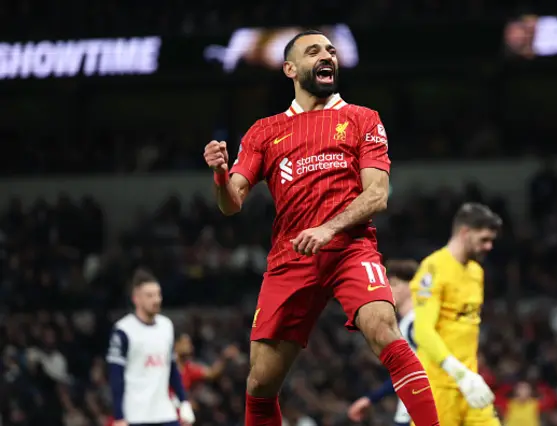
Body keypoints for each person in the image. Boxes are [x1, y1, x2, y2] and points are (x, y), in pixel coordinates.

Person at [203, 30, 439, 426]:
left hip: (351, 249)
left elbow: (377, 195)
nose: (327, 55)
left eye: (331, 50)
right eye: (314, 51)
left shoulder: (363, 118)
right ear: (290, 69)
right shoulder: (264, 131)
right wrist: (220, 173)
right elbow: (231, 203)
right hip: (290, 257)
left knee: (385, 331)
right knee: (260, 383)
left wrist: (329, 229)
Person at [410, 203, 502, 426]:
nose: (489, 246)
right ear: (464, 233)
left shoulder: (476, 272)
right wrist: (460, 373)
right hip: (437, 386)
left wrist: (469, 376)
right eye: (484, 240)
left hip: (470, 385)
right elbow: (422, 331)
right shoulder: (433, 268)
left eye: (491, 241)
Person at [106, 269, 195, 426]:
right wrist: (119, 416)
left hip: (165, 414)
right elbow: (116, 376)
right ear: (136, 299)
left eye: (158, 294)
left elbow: (172, 368)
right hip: (136, 416)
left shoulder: (166, 326)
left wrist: (184, 401)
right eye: (150, 295)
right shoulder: (123, 331)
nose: (156, 300)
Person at [347, 259, 420, 425]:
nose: (387, 291)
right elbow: (407, 373)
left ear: (410, 286)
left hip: (419, 411)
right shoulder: (406, 323)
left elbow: (420, 372)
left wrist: (372, 398)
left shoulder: (416, 323)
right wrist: (371, 399)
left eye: (393, 284)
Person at [174, 333, 240, 391]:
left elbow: (211, 373)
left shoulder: (189, 368)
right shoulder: (168, 365)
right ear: (176, 345)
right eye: (186, 343)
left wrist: (224, 357)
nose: (191, 347)